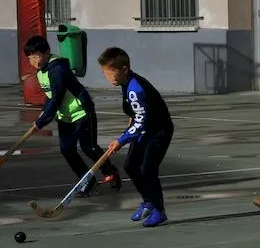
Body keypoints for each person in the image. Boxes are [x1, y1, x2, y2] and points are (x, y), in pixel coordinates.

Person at [24, 35, 121, 196]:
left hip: (81, 112)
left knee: (88, 147)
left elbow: (57, 97)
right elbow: (49, 97)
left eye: (36, 56)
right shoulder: (41, 72)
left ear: (47, 52)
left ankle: (110, 171)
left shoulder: (58, 69)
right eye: (30, 58)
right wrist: (42, 116)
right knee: (67, 150)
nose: (34, 61)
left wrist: (42, 121)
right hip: (65, 116)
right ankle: (87, 180)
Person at [97, 47, 174, 227]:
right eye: (104, 73)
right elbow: (135, 114)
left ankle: (158, 210)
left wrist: (122, 140)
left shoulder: (135, 88)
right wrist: (128, 133)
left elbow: (142, 121)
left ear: (124, 69)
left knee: (148, 168)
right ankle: (147, 201)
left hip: (158, 132)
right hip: (144, 130)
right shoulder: (125, 84)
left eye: (110, 73)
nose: (107, 77)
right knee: (130, 165)